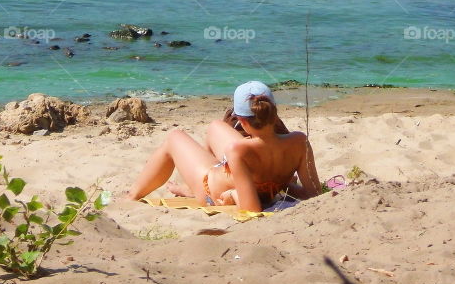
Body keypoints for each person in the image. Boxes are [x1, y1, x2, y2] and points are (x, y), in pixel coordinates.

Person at [127, 80, 322, 213]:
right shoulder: (299, 141)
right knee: (215, 127)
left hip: (210, 192)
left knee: (174, 138)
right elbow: (314, 194)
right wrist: (279, 185)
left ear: (240, 121)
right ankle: (189, 189)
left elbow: (251, 210)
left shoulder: (239, 150)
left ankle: (131, 197)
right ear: (274, 113)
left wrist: (234, 195)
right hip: (264, 184)